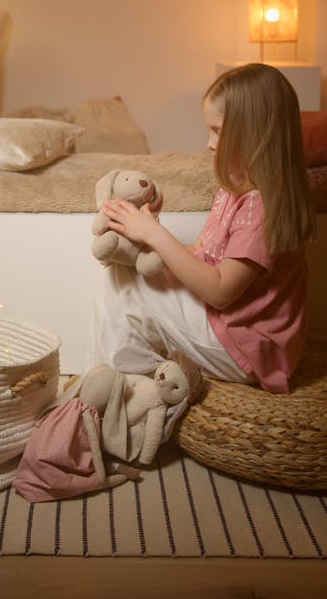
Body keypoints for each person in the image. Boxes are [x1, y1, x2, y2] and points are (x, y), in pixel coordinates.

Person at [86, 63, 316, 394]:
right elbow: (202, 257)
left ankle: (105, 394)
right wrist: (151, 231)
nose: (209, 143)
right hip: (230, 331)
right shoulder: (236, 190)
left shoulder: (261, 207)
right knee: (124, 278)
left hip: (244, 348)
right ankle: (122, 385)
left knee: (119, 284)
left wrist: (154, 235)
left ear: (254, 133)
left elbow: (220, 291)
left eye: (218, 130)